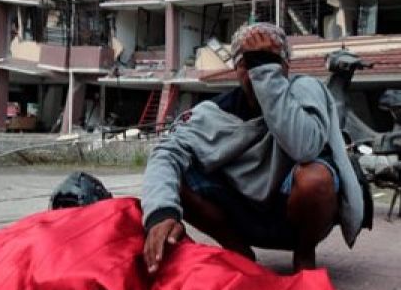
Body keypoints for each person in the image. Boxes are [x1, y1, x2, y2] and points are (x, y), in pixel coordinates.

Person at [141, 22, 368, 273]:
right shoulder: (214, 111)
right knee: (176, 175)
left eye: (269, 60)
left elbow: (305, 147)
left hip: (295, 214)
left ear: (285, 66)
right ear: (236, 69)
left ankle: (304, 253)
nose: (257, 71)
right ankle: (237, 249)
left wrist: (265, 72)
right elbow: (166, 152)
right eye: (249, 62)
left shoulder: (306, 89)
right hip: (241, 215)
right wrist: (160, 213)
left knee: (316, 177)